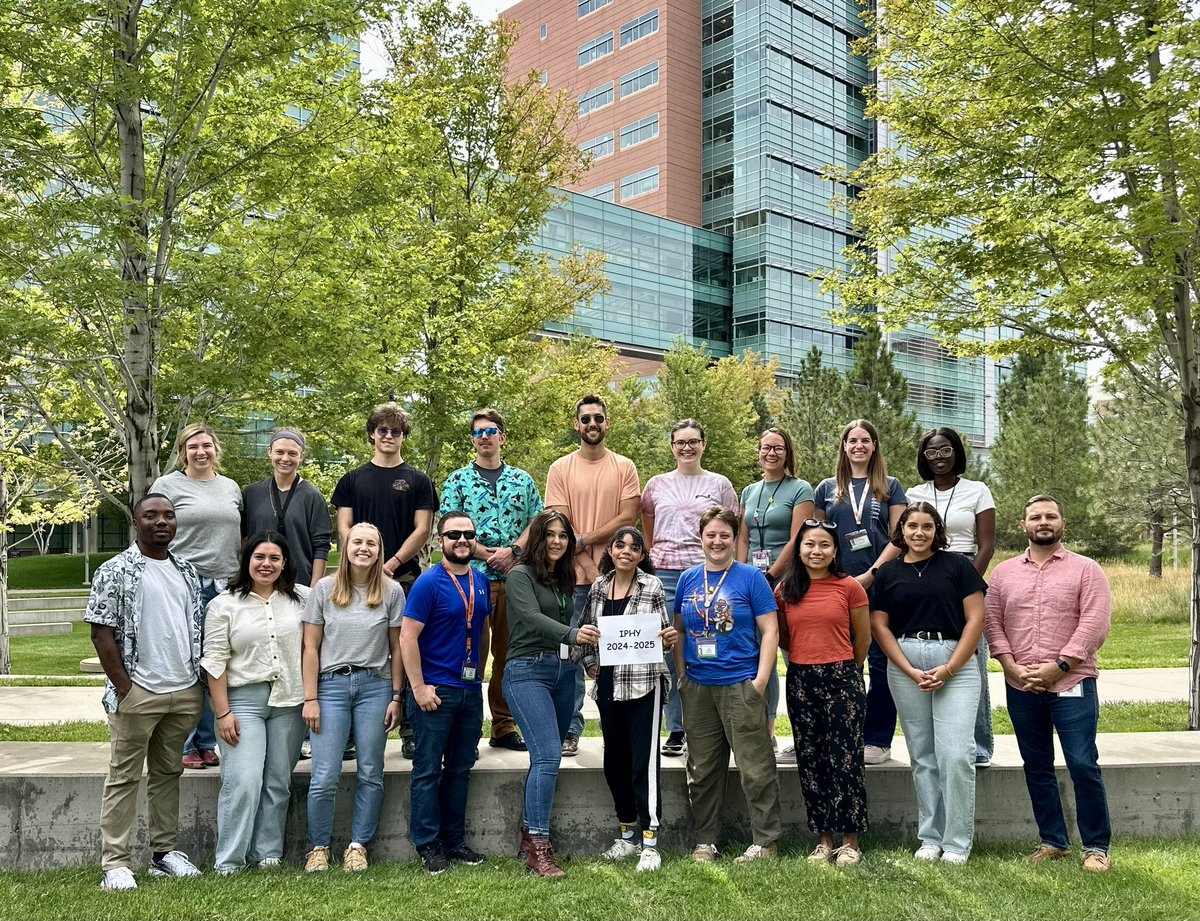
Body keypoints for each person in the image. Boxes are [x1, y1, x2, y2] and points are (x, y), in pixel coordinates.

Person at [985, 495, 1113, 873]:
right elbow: (993, 623)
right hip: (1021, 684)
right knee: (1036, 764)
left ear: (1062, 524)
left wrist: (1059, 666)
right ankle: (1053, 841)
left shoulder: (1087, 570)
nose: (1044, 522)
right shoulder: (1004, 574)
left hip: (1072, 681)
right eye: (1036, 517)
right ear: (1022, 525)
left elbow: (1094, 623)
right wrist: (1011, 667)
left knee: (1081, 762)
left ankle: (1096, 847)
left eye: (1051, 516)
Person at [85, 493, 205, 891]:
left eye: (169, 516)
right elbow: (102, 635)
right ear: (136, 522)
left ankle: (163, 854)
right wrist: (125, 688)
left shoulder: (187, 570)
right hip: (138, 692)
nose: (161, 522)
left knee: (168, 773)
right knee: (124, 776)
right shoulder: (115, 570)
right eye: (151, 516)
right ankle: (115, 863)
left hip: (184, 690)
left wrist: (195, 684)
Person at [871, 502, 986, 865]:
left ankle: (956, 843)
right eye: (911, 526)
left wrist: (950, 668)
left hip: (956, 662)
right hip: (906, 664)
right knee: (922, 756)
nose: (918, 533)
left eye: (926, 526)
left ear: (938, 531)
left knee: (955, 754)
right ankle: (930, 838)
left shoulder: (957, 566)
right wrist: (907, 668)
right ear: (900, 531)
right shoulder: (887, 573)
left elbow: (975, 620)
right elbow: (879, 626)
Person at [672, 506, 782, 865]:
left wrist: (760, 681)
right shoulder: (688, 579)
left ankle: (765, 842)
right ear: (700, 538)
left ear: (735, 539)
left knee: (755, 767)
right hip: (699, 686)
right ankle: (705, 841)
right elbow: (681, 631)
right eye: (711, 535)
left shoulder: (751, 578)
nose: (717, 541)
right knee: (701, 769)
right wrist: (682, 676)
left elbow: (770, 631)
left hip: (741, 683)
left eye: (725, 535)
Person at [331, 402, 436, 759]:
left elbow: (423, 529)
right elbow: (344, 527)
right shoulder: (352, 480)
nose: (388, 436)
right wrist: (364, 560)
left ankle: (409, 729)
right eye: (382, 430)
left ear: (404, 436)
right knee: (351, 649)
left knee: (405, 651)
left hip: (403, 578)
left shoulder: (419, 481)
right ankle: (346, 733)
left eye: (396, 431)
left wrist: (390, 562)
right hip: (356, 581)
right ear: (372, 434)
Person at [301, 522, 405, 874]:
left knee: (371, 771)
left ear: (380, 550)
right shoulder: (324, 590)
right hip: (330, 686)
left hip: (374, 687)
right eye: (357, 542)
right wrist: (310, 697)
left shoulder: (391, 592)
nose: (363, 548)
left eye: (371, 543)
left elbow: (397, 648)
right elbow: (310, 647)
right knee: (325, 773)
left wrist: (396, 696)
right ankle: (318, 847)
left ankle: (358, 846)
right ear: (345, 546)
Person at [503, 510, 601, 877]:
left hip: (563, 673)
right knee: (546, 756)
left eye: (563, 536)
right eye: (550, 535)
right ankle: (539, 850)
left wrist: (584, 657)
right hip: (526, 671)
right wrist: (573, 634)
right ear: (536, 539)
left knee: (546, 758)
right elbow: (529, 617)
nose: (557, 541)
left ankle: (530, 837)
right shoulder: (519, 574)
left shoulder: (563, 578)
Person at [202, 531, 308, 874]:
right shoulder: (223, 605)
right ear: (247, 560)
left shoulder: (302, 600)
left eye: (274, 558)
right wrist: (222, 712)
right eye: (260, 557)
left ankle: (268, 852)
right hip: (242, 702)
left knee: (278, 780)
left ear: (285, 563)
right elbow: (214, 661)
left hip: (289, 701)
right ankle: (230, 860)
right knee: (244, 781)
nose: (267, 564)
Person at [438, 409, 543, 753]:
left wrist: (513, 551)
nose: (485, 437)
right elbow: (451, 527)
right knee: (471, 652)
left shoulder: (523, 480)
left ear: (502, 437)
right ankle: (465, 729)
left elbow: (536, 522)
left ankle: (503, 726)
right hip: (472, 580)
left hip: (516, 580)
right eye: (478, 432)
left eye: (491, 431)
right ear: (472, 439)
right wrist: (486, 554)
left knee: (509, 655)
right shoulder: (457, 481)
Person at [545, 394, 640, 757]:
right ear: (576, 425)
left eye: (598, 418)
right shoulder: (560, 468)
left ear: (608, 423)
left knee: (616, 652)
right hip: (570, 578)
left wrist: (584, 543)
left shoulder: (624, 466)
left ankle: (621, 727)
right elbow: (560, 523)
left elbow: (626, 519)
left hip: (620, 578)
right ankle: (570, 729)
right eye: (585, 419)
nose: (592, 425)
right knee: (571, 653)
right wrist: (583, 561)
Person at [578, 527, 677, 873]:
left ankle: (650, 841)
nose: (626, 551)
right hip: (609, 685)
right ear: (612, 550)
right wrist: (591, 663)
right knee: (615, 762)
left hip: (644, 685)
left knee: (643, 765)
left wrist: (668, 638)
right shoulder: (598, 587)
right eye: (620, 545)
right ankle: (627, 833)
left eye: (635, 547)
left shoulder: (652, 586)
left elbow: (663, 634)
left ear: (641, 555)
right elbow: (586, 631)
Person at [401, 512, 492, 875]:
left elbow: (482, 630)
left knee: (460, 769)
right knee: (427, 771)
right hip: (435, 692)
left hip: (469, 690)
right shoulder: (428, 583)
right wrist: (419, 687)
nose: (462, 540)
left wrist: (479, 676)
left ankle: (453, 841)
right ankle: (427, 843)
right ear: (441, 541)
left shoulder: (481, 581)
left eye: (469, 534)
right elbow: (407, 637)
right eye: (454, 534)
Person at [775, 519, 870, 867]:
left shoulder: (849, 587)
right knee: (810, 759)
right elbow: (783, 636)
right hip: (801, 678)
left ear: (835, 551)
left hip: (842, 676)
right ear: (799, 549)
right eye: (810, 544)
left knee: (844, 759)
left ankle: (850, 841)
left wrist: (846, 669)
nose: (817, 551)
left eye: (824, 545)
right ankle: (824, 839)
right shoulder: (786, 590)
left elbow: (863, 637)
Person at [641, 419, 737, 759]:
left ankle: (712, 723)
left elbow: (729, 529)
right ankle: (677, 727)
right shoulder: (656, 484)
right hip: (664, 573)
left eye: (693, 441)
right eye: (680, 442)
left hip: (705, 573)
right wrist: (655, 555)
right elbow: (648, 524)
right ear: (671, 446)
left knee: (707, 642)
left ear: (703, 444)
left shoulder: (720, 484)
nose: (686, 447)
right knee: (668, 648)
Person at [813, 419, 906, 765]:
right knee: (838, 662)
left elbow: (899, 537)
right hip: (835, 587)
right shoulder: (826, 488)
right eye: (852, 440)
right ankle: (834, 734)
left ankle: (878, 739)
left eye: (865, 440)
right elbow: (818, 538)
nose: (858, 446)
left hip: (879, 584)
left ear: (874, 446)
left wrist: (871, 574)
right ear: (844, 446)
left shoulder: (891, 487)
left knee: (881, 663)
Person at [150, 423, 243, 771]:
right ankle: (186, 743)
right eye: (193, 446)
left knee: (216, 664)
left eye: (206, 445)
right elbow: (151, 527)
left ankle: (207, 742)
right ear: (182, 451)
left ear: (216, 449)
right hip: (183, 582)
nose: (200, 451)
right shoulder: (168, 485)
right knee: (188, 665)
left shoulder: (231, 488)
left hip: (226, 586)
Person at [907, 427, 996, 767]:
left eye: (945, 450)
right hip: (924, 572)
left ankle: (980, 746)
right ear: (924, 457)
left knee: (971, 661)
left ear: (956, 452)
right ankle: (937, 747)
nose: (939, 457)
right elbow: (908, 537)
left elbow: (986, 545)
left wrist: (967, 584)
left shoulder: (978, 490)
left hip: (965, 568)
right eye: (932, 452)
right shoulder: (916, 492)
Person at [736, 425, 815, 763]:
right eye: (765, 447)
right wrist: (739, 576)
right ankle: (762, 734)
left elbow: (799, 539)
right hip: (751, 580)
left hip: (785, 583)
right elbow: (742, 537)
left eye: (778, 448)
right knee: (756, 657)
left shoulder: (801, 489)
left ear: (787, 452)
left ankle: (800, 735)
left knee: (790, 657)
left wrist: (771, 576)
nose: (771, 453)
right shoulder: (749, 491)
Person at [241, 428, 332, 587]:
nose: (285, 458)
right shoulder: (252, 493)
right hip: (257, 585)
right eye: (279, 452)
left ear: (301, 456)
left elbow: (321, 547)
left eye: (292, 453)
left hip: (299, 584)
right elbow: (244, 540)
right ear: (269, 452)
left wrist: (313, 589)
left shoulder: (313, 497)